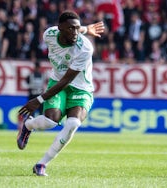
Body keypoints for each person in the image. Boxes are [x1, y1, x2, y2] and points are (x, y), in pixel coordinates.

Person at [17, 10, 105, 176]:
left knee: (73, 124)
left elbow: (67, 80)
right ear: (60, 28)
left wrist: (39, 100)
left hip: (81, 88)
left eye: (77, 29)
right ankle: (28, 125)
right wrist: (86, 28)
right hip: (57, 82)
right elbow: (61, 81)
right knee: (50, 122)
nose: (75, 32)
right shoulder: (49, 35)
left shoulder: (85, 48)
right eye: (71, 29)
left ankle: (42, 164)